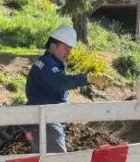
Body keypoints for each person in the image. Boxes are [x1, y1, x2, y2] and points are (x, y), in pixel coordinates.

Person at [24, 25, 110, 153]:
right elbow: (61, 82)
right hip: (48, 123)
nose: (69, 52)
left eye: (70, 48)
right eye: (66, 47)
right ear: (53, 46)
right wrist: (87, 78)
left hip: (44, 122)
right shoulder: (47, 65)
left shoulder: (49, 63)